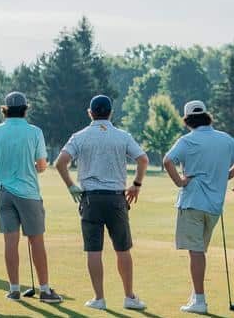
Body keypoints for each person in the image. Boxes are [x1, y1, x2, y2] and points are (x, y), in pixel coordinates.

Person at [55, 95, 149, 311]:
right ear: (111, 112)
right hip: (116, 197)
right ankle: (129, 297)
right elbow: (143, 159)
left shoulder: (80, 136)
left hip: (90, 198)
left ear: (90, 113)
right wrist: (136, 184)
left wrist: (71, 186)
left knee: (94, 250)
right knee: (122, 249)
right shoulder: (122, 136)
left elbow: (61, 163)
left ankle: (99, 299)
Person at [163, 100, 234, 314]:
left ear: (187, 120)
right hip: (214, 207)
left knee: (196, 253)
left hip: (192, 202)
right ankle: (196, 295)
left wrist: (180, 182)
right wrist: (227, 175)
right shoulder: (225, 139)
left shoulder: (187, 140)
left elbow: (167, 161)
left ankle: (200, 301)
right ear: (206, 116)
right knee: (199, 251)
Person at [0, 91, 63, 303]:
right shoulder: (35, 132)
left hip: (3, 193)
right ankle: (45, 290)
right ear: (25, 109)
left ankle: (14, 289)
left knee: (10, 241)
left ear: (5, 109)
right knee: (36, 241)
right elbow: (42, 166)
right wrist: (32, 167)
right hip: (28, 193)